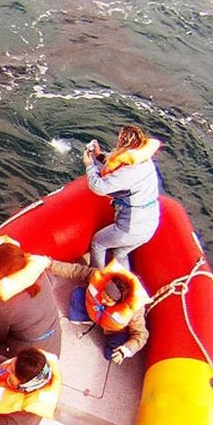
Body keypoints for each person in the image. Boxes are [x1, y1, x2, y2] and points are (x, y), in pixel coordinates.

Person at [83, 124, 163, 269]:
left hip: (131, 228)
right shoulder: (145, 161)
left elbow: (99, 187)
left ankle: (94, 278)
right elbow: (120, 162)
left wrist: (89, 165)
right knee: (120, 254)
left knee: (98, 243)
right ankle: (123, 286)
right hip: (149, 226)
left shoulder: (129, 172)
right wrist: (98, 155)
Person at [49, 258, 150, 365]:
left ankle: (113, 342)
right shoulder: (100, 276)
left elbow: (141, 335)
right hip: (94, 311)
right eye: (103, 295)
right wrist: (51, 265)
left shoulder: (134, 311)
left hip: (114, 331)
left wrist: (126, 349)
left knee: (110, 354)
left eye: (107, 300)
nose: (102, 300)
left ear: (120, 302)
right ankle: (88, 320)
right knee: (77, 294)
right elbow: (75, 271)